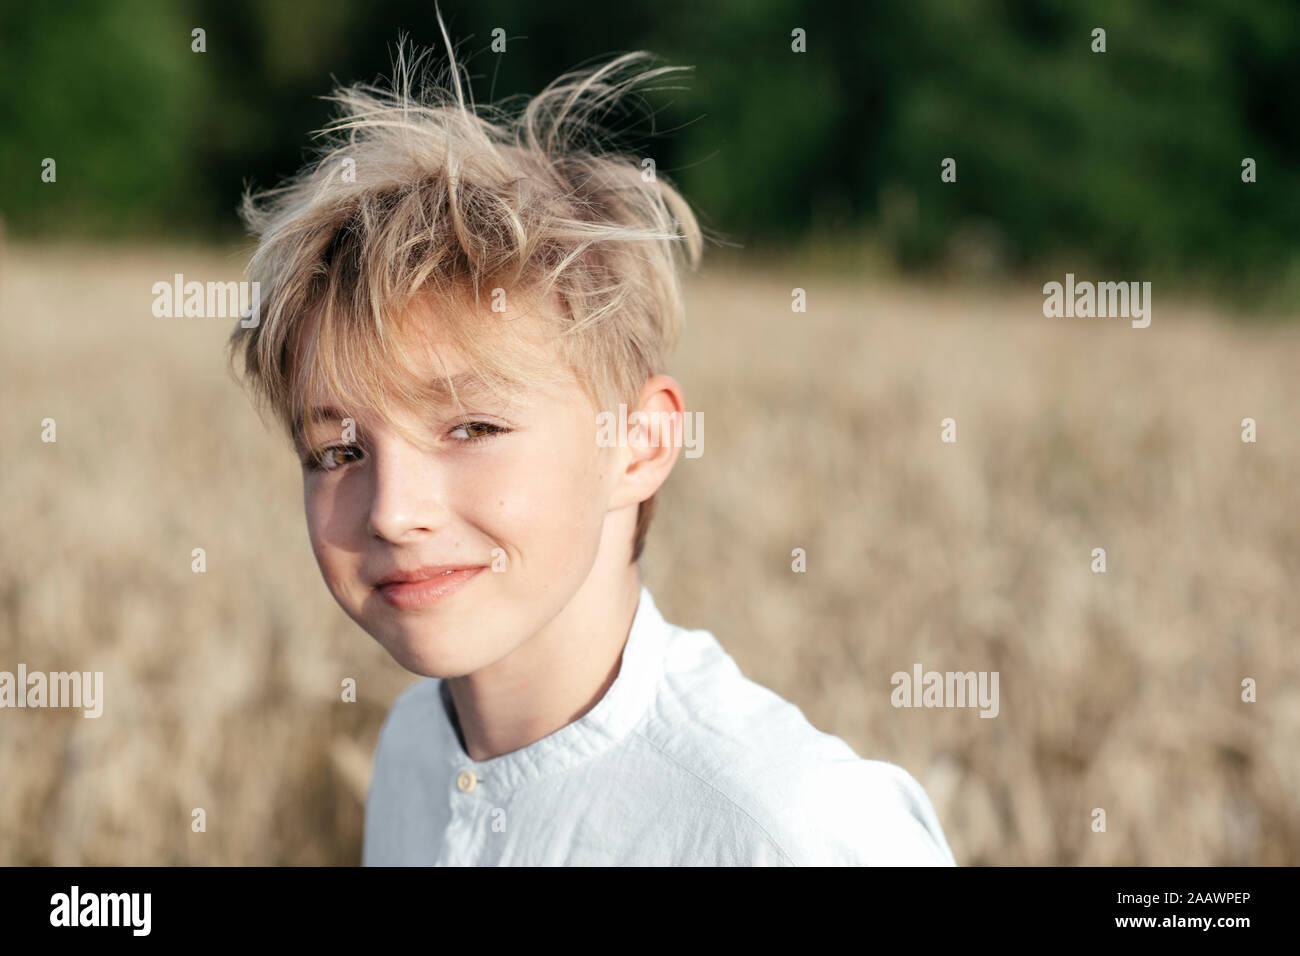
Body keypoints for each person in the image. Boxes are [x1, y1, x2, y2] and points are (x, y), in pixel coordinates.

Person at [228, 12, 956, 867]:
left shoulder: (784, 832)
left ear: (639, 444)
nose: (392, 512)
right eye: (340, 452)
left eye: (473, 426)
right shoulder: (414, 753)